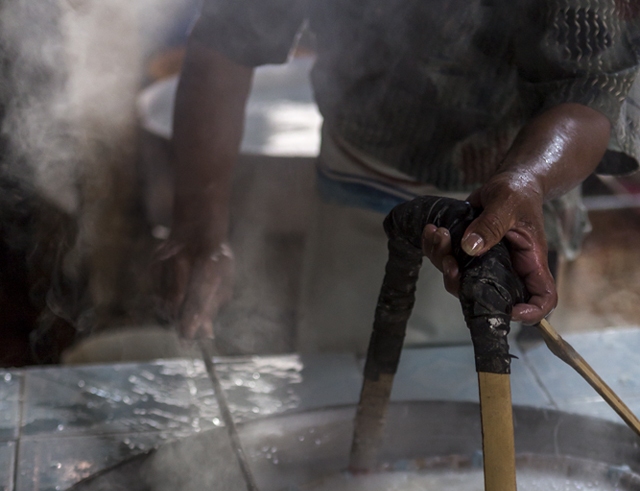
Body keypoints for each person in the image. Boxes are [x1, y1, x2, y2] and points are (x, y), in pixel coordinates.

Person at [159, 0, 640, 351]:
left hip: (525, 189)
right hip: (362, 175)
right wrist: (200, 231)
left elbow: (590, 91)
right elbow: (226, 41)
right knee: (343, 383)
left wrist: (527, 180)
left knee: (488, 401)